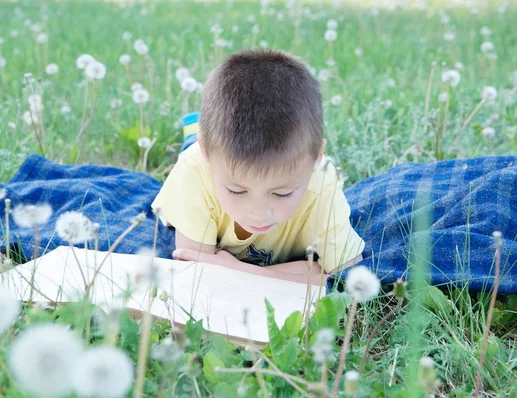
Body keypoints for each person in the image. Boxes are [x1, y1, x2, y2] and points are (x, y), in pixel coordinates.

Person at [152, 49, 364, 284]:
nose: (259, 212)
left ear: (317, 158)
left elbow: (346, 276)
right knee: (193, 150)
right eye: (237, 190)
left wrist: (235, 269)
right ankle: (195, 134)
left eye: (282, 193)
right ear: (207, 155)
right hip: (201, 157)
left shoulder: (322, 181)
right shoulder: (195, 170)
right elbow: (193, 267)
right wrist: (311, 270)